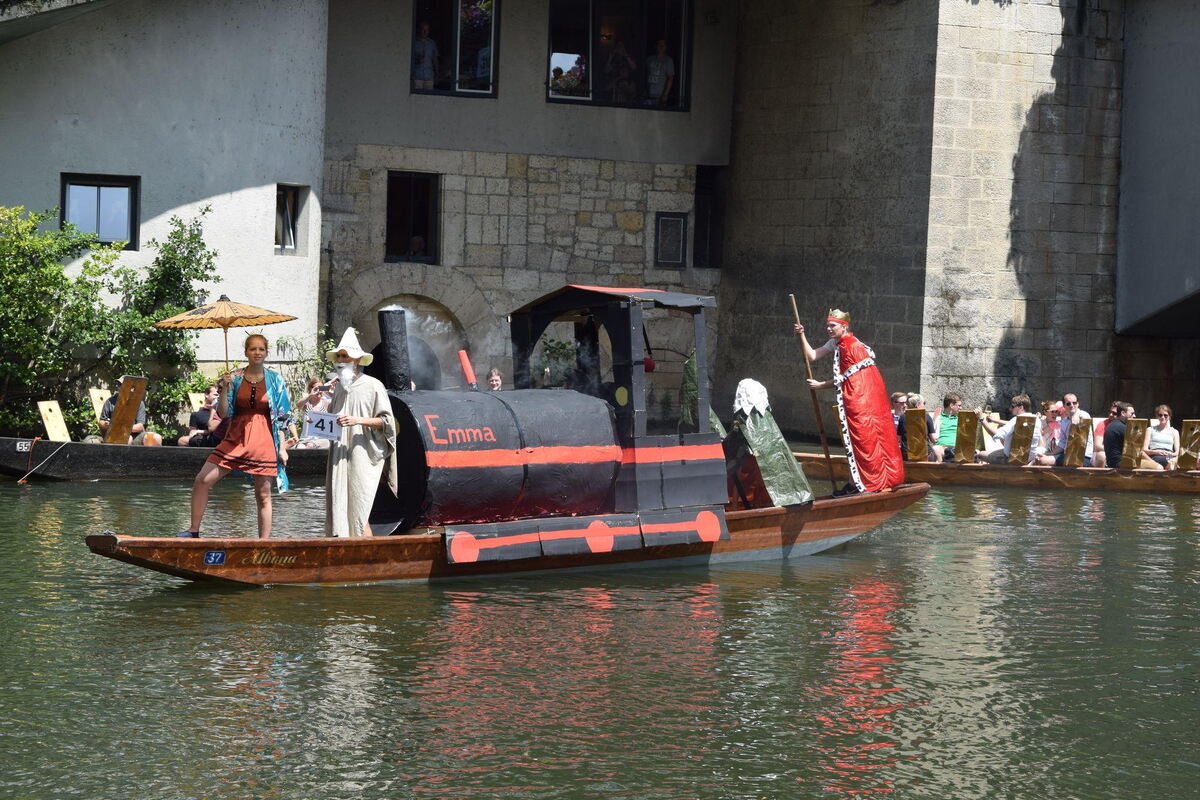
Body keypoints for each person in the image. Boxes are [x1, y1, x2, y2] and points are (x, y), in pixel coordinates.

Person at [179, 334, 295, 539]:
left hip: (264, 440)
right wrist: (224, 389)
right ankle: (193, 530)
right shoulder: (235, 377)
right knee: (202, 480)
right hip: (236, 438)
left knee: (263, 495)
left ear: (266, 352)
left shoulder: (275, 379)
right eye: (253, 349)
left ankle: (263, 545)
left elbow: (283, 417)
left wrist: (283, 448)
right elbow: (224, 413)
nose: (257, 352)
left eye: (261, 349)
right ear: (246, 352)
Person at [795, 309, 904, 494]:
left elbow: (850, 379)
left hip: (863, 403)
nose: (829, 329)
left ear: (844, 327)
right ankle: (853, 482)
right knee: (852, 441)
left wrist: (821, 385)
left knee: (861, 439)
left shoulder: (854, 346)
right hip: (854, 401)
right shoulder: (835, 343)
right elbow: (812, 356)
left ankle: (859, 483)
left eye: (833, 326)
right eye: (828, 325)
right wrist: (802, 334)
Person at [325, 328, 398, 537]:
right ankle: (344, 551)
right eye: (338, 356)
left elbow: (387, 422)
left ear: (356, 359)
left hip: (362, 452)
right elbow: (331, 421)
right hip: (340, 453)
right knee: (340, 506)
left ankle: (369, 558)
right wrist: (316, 421)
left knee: (360, 507)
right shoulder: (339, 387)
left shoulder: (374, 386)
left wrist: (357, 421)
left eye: (345, 355)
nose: (340, 359)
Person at [976, 394, 1042, 464]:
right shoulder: (1036, 419)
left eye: (1013, 406)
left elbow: (996, 435)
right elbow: (1013, 424)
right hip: (1029, 458)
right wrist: (995, 420)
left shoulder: (1016, 420)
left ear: (1021, 407)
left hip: (1011, 459)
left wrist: (981, 419)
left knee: (981, 454)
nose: (1010, 409)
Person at [99, 379, 148, 444]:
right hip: (115, 434)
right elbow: (101, 422)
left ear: (132, 388)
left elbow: (140, 427)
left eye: (123, 385)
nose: (119, 387)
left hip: (135, 435)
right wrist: (107, 424)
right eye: (119, 385)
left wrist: (121, 428)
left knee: (156, 438)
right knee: (126, 439)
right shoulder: (110, 402)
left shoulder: (138, 403)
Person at [294, 377, 334, 450]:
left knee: (312, 446)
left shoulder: (326, 403)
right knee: (300, 449)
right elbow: (298, 405)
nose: (318, 391)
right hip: (305, 439)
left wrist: (332, 393)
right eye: (316, 389)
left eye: (321, 388)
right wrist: (310, 395)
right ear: (310, 389)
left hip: (321, 440)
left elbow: (340, 407)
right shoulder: (306, 403)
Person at [896, 393, 936, 461]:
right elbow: (933, 439)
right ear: (918, 405)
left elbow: (899, 438)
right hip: (925, 454)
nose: (924, 405)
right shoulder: (926, 417)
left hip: (907, 455)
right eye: (924, 403)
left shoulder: (902, 417)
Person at [1141, 404, 1179, 470]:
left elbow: (1177, 452)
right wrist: (1156, 452)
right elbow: (1144, 449)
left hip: (1169, 457)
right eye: (1160, 415)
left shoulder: (1174, 432)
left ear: (1169, 417)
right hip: (1155, 456)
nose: (1163, 417)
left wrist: (1170, 454)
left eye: (1165, 415)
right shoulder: (1150, 429)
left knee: (1173, 466)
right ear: (1157, 416)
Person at [1102, 401, 1136, 469]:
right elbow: (1136, 449)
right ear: (1123, 413)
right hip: (1122, 464)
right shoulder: (1123, 428)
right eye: (1132, 414)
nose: (1134, 416)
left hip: (1112, 463)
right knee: (1158, 467)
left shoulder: (1113, 425)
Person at [931, 392, 962, 462]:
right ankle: (941, 471)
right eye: (959, 405)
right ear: (951, 405)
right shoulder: (938, 417)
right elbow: (933, 435)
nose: (961, 408)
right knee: (935, 449)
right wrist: (935, 419)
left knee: (976, 452)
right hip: (942, 448)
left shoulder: (960, 419)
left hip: (956, 448)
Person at [645, 39, 675, 105]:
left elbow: (670, 78)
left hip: (659, 95)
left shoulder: (668, 60)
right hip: (648, 94)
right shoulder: (649, 59)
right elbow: (645, 74)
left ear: (666, 47)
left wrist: (665, 94)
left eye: (663, 45)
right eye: (659, 44)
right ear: (656, 46)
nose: (661, 46)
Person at [412, 21, 439, 91]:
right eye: (422, 29)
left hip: (429, 76)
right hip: (417, 77)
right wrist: (417, 61)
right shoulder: (413, 43)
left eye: (426, 30)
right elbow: (408, 59)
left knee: (429, 99)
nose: (424, 32)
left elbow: (435, 60)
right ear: (419, 30)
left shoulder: (432, 43)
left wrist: (437, 74)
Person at [1091, 400, 1119, 468]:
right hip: (1102, 453)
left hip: (1118, 453)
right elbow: (1097, 446)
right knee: (1102, 455)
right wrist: (1115, 451)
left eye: (1114, 413)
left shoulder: (1125, 426)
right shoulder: (1103, 424)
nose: (1110, 415)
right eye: (1110, 412)